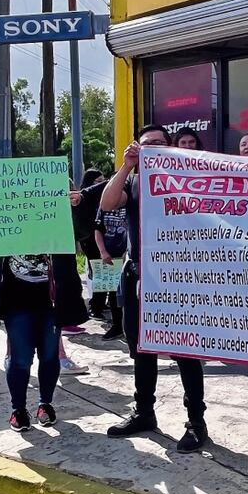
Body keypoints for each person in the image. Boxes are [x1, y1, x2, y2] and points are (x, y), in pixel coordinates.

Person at [100, 124, 210, 453]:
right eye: (147, 144)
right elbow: (107, 204)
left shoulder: (188, 181)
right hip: (137, 276)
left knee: (185, 352)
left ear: (171, 147)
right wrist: (126, 166)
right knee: (141, 350)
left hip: (178, 277)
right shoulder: (132, 182)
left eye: (161, 144)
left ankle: (196, 421)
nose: (154, 149)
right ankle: (144, 412)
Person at [0, 253, 76, 432]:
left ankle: (45, 404)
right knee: (20, 358)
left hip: (51, 300)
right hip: (15, 300)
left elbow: (82, 232)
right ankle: (18, 410)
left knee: (49, 355)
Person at [77, 169, 110, 319]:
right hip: (90, 239)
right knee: (98, 271)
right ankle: (95, 306)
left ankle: (101, 303)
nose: (102, 185)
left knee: (104, 271)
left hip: (99, 237)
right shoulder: (84, 196)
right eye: (99, 181)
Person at [94, 201, 126, 341]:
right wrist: (102, 251)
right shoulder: (104, 205)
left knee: (130, 294)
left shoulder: (131, 202)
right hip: (109, 256)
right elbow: (98, 229)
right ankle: (117, 325)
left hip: (128, 256)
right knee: (112, 293)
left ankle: (130, 326)